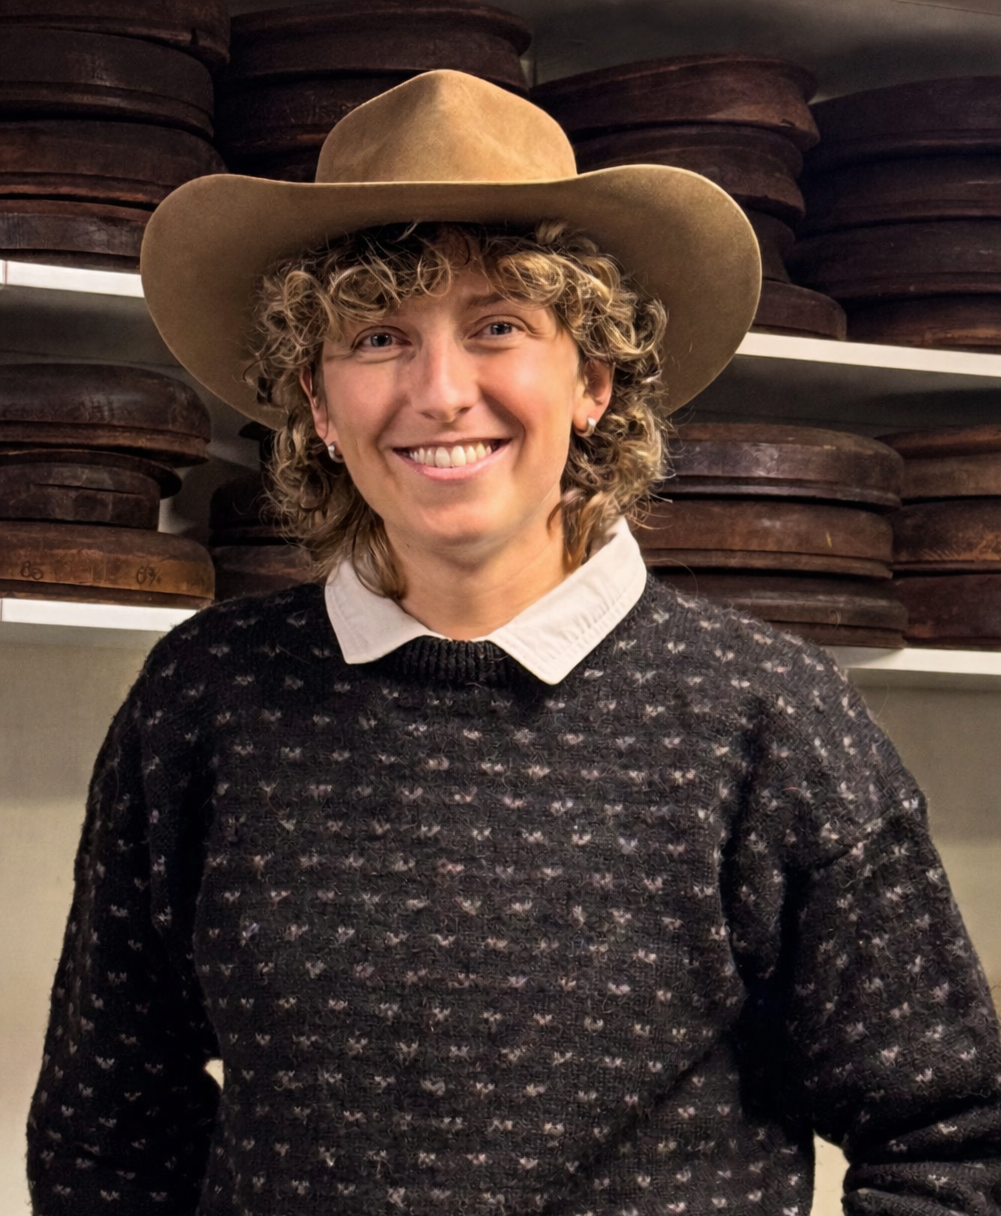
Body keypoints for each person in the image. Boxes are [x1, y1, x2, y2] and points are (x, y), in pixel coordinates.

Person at [25, 70, 1001, 1216]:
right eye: (378, 335)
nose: (441, 393)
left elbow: (953, 1143)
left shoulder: (767, 715)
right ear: (318, 403)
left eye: (498, 327)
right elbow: (107, 1127)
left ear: (592, 378)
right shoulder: (206, 694)